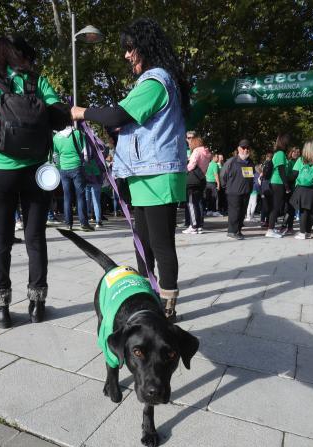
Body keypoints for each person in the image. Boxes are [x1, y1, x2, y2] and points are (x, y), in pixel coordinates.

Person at [72, 17, 189, 320]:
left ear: (145, 48)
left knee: (160, 243)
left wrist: (81, 111)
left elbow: (116, 115)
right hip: (143, 174)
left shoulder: (155, 80)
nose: (126, 55)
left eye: (130, 49)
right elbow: (127, 124)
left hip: (158, 175)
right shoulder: (151, 81)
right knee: (143, 242)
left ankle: (167, 305)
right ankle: (147, 293)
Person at [0, 34, 70, 327]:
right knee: (36, 238)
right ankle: (37, 304)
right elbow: (61, 120)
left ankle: (1, 309)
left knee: (1, 239)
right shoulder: (37, 82)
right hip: (36, 171)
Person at [53, 126, 92, 231]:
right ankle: (84, 223)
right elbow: (86, 153)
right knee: (80, 196)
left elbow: (55, 155)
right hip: (77, 167)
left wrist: (59, 166)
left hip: (63, 169)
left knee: (67, 197)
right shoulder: (79, 133)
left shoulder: (56, 137)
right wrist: (86, 163)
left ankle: (68, 224)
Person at [219, 139, 254, 240]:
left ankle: (238, 230)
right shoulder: (231, 161)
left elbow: (251, 177)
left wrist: (250, 188)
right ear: (239, 149)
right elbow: (222, 175)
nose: (246, 150)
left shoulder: (250, 162)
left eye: (247, 148)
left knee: (242, 213)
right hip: (233, 192)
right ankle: (232, 231)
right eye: (243, 148)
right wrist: (227, 187)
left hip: (246, 192)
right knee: (234, 212)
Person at [289, 140, 313, 239]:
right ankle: (308, 232)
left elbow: (294, 174)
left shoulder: (300, 160)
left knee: (303, 211)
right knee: (311, 211)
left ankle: (302, 233)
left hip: (302, 188)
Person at [183, 134, 211, 234]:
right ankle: (199, 226)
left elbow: (192, 165)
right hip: (201, 179)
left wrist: (184, 169)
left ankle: (193, 226)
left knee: (191, 203)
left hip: (192, 180)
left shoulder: (196, 151)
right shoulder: (207, 153)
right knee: (198, 203)